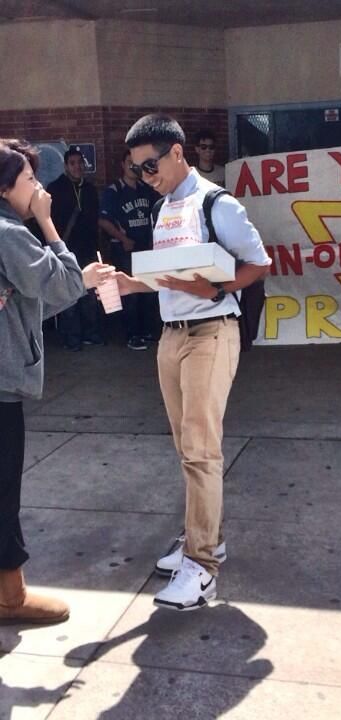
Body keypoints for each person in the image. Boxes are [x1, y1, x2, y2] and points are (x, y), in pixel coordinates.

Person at [115, 113, 270, 611]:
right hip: (171, 335)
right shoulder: (164, 209)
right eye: (139, 169)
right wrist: (124, 282)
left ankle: (202, 566)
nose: (146, 175)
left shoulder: (216, 203)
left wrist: (218, 287)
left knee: (201, 450)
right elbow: (166, 276)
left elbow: (260, 263)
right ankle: (206, 537)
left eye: (152, 164)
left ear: (177, 153)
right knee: (188, 448)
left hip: (212, 331)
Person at [0, 139, 113, 624]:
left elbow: (42, 300)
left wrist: (77, 281)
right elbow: (61, 286)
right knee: (4, 491)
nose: (39, 188)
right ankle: (10, 596)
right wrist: (49, 226)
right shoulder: (11, 232)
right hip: (2, 386)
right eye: (29, 180)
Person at [99, 149, 160, 350]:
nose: (133, 167)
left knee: (148, 290)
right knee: (130, 293)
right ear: (123, 165)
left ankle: (147, 330)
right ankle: (132, 335)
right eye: (129, 163)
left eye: (136, 164)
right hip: (125, 250)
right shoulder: (114, 191)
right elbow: (104, 220)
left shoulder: (146, 189)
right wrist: (123, 238)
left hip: (146, 249)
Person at [47, 147, 103, 351]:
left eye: (80, 162)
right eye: (73, 163)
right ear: (65, 166)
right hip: (66, 250)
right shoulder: (54, 189)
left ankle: (91, 333)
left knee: (89, 294)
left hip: (87, 249)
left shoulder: (89, 189)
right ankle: (71, 337)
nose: (77, 166)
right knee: (68, 295)